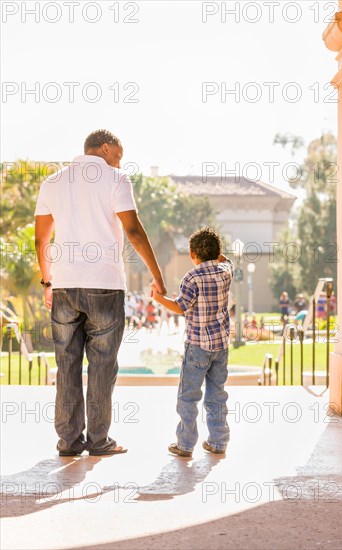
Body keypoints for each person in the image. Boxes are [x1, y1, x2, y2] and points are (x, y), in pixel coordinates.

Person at [35, 129, 166, 457]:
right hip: (105, 286)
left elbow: (41, 240)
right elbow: (133, 230)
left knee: (66, 364)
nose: (119, 162)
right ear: (105, 149)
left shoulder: (53, 182)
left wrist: (47, 281)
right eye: (118, 156)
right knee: (102, 365)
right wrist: (157, 276)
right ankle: (98, 440)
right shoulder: (116, 179)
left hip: (64, 284)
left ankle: (68, 441)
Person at [151, 227, 233, 458]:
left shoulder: (192, 277)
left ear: (192, 253)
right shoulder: (226, 271)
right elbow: (226, 260)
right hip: (221, 346)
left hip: (197, 346)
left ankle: (185, 444)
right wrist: (218, 253)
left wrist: (158, 298)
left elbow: (180, 307)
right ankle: (218, 442)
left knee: (188, 396)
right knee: (217, 394)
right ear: (217, 251)